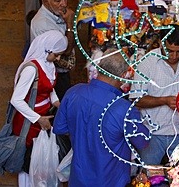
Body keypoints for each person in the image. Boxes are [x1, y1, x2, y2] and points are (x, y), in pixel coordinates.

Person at [53, 48, 150, 187]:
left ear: (99, 67)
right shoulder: (124, 109)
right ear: (123, 75)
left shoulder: (73, 92)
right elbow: (143, 141)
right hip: (111, 180)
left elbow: (60, 128)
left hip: (79, 177)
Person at [129, 23, 179, 165]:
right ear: (160, 43)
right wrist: (164, 100)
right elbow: (136, 99)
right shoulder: (147, 63)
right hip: (152, 134)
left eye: (178, 52)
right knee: (149, 177)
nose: (174, 56)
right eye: (169, 51)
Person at [10, 30, 68, 187]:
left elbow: (49, 89)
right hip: (28, 122)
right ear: (46, 49)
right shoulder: (31, 70)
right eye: (56, 55)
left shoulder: (48, 65)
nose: (58, 58)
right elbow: (16, 99)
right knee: (29, 158)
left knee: (41, 157)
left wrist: (58, 104)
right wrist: (37, 118)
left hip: (43, 118)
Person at [31, 0, 75, 100]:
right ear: (45, 1)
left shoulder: (56, 12)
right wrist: (70, 24)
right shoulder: (42, 24)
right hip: (53, 76)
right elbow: (65, 51)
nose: (64, 4)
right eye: (58, 0)